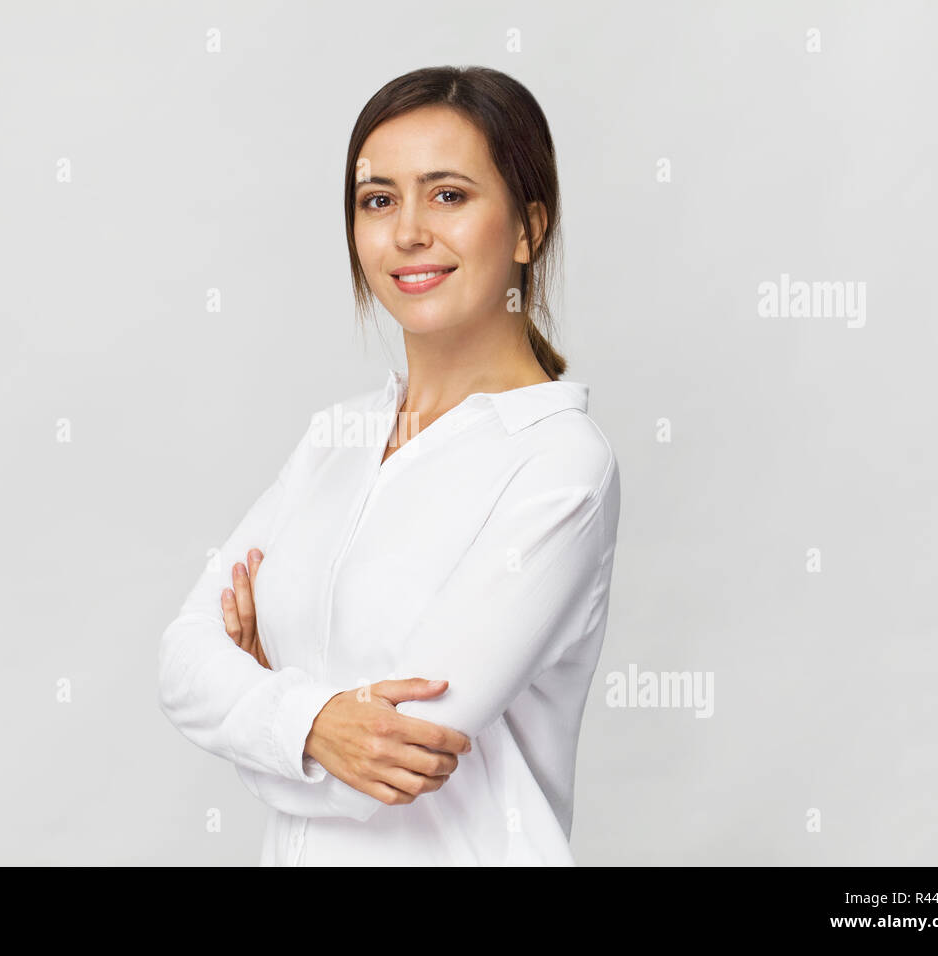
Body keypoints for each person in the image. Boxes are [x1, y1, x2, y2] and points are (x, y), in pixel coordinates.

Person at [158, 65, 620, 865]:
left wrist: (265, 704)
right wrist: (312, 723)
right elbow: (181, 661)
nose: (407, 231)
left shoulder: (558, 465)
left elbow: (396, 757)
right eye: (378, 200)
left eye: (448, 195)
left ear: (526, 228)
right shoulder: (335, 437)